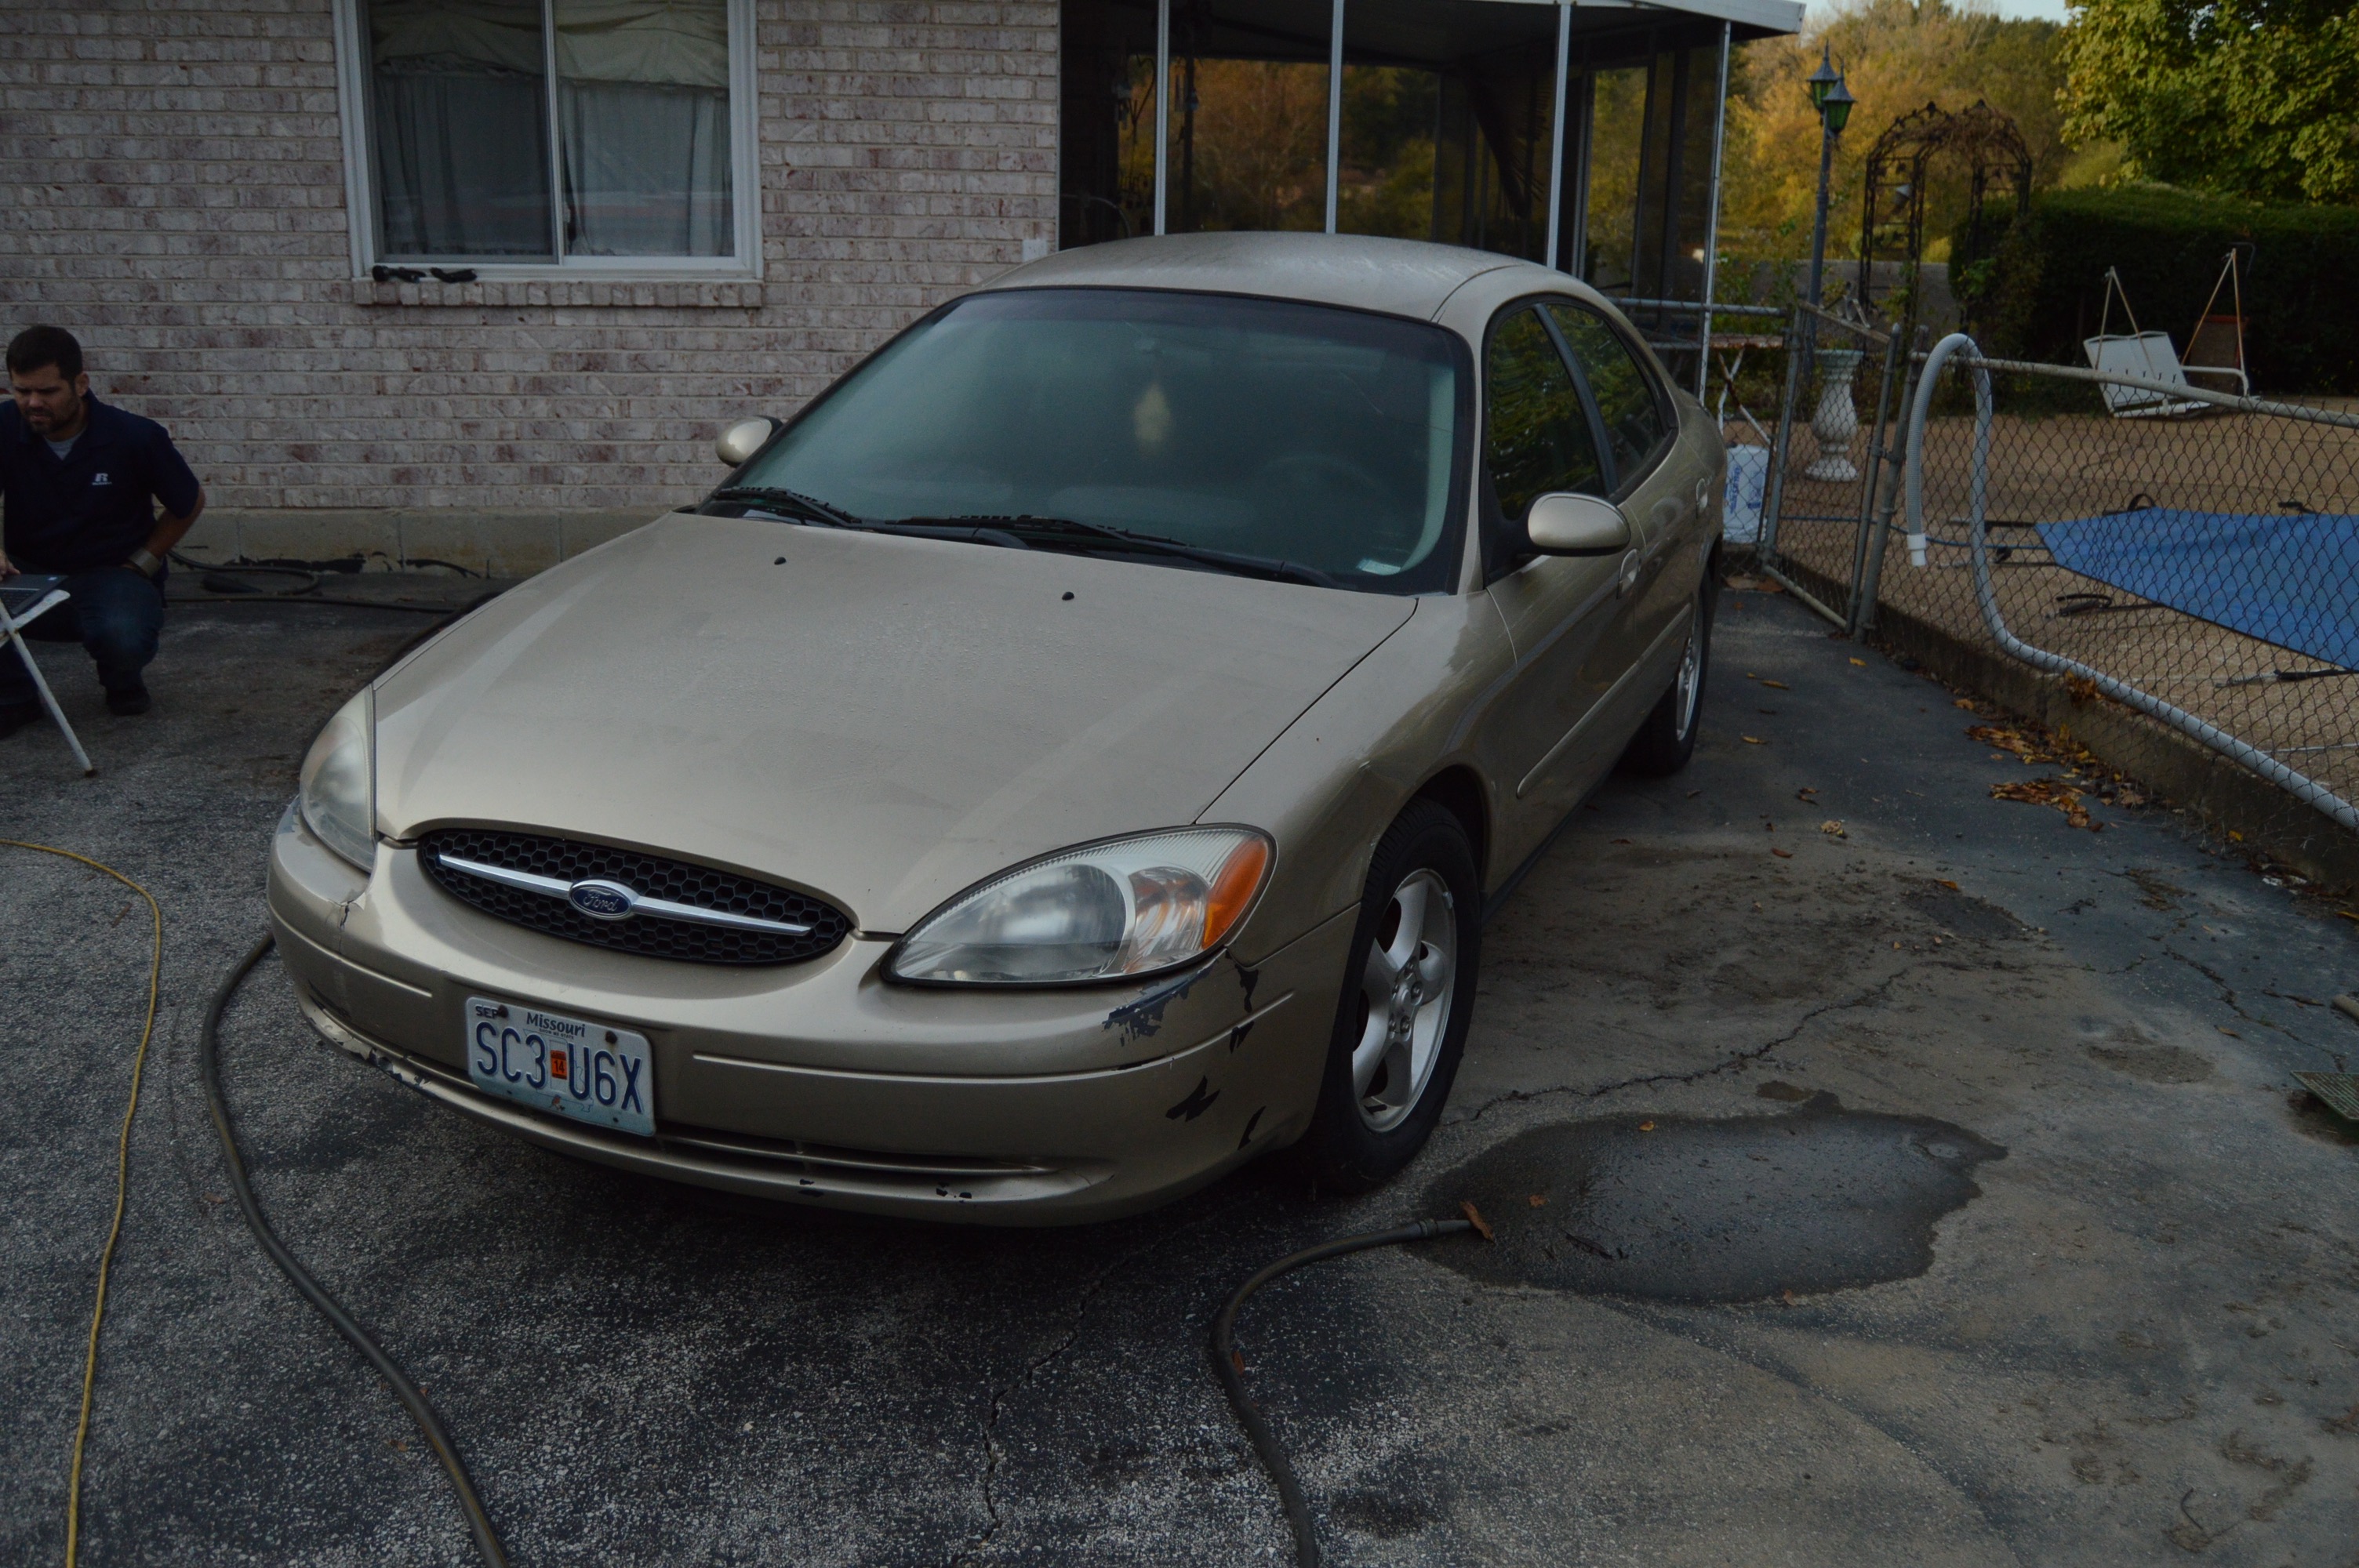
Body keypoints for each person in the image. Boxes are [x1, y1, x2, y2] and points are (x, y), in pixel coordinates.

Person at [1, 325, 203, 735]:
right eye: (21, 391)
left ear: (80, 383)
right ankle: (15, 698)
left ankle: (122, 679)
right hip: (29, 571)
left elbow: (189, 502)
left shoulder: (134, 436)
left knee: (123, 634)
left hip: (112, 573)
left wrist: (143, 561)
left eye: (47, 392)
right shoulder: (2, 427)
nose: (33, 403)